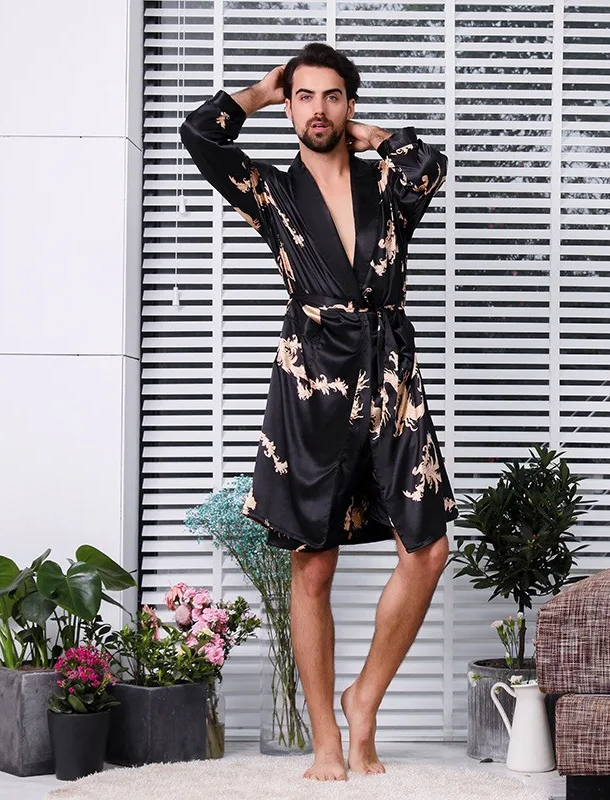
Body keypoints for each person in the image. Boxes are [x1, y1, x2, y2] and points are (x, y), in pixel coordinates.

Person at [180, 42, 458, 782]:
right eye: (304, 96)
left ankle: (363, 699)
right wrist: (261, 90)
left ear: (350, 103)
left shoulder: (387, 186)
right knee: (313, 565)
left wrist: (372, 138)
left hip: (391, 377)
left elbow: (429, 164)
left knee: (428, 550)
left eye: (333, 96)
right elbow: (200, 135)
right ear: (289, 105)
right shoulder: (270, 190)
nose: (318, 109)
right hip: (312, 384)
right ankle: (326, 740)